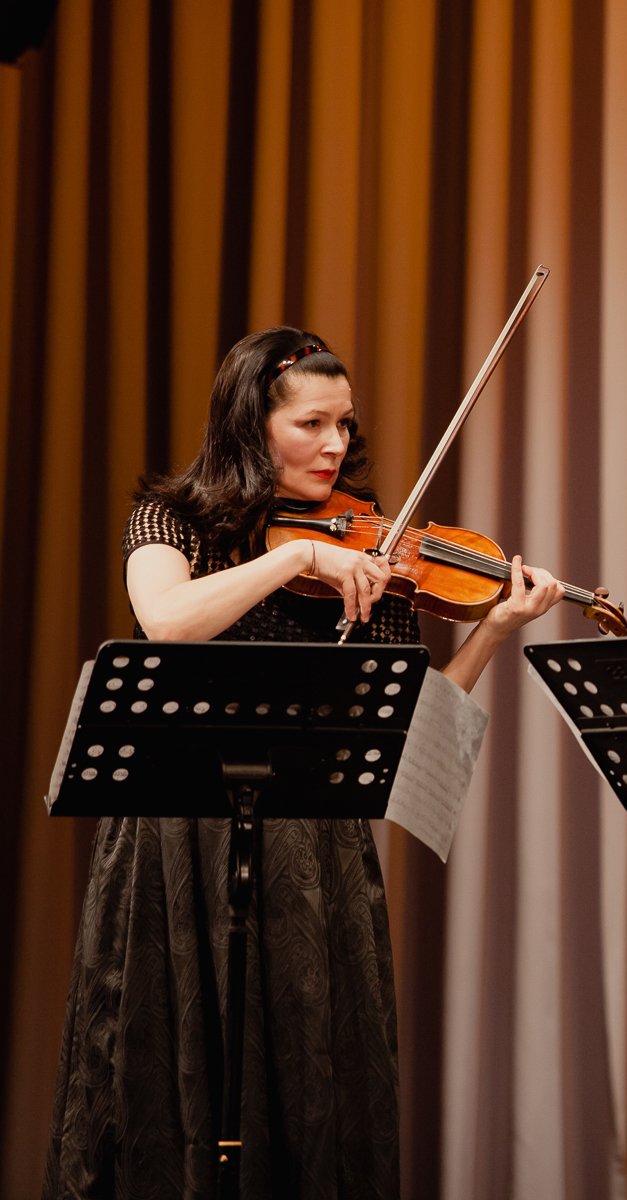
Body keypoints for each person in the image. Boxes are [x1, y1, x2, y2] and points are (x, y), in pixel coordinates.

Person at [42, 328, 564, 1200]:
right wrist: (293, 554)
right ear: (252, 425)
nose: (335, 445)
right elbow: (167, 621)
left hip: (314, 856)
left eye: (345, 425)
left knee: (313, 1097)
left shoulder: (374, 554)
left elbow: (411, 734)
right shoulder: (171, 523)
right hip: (178, 848)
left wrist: (493, 631)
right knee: (167, 1085)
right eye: (311, 424)